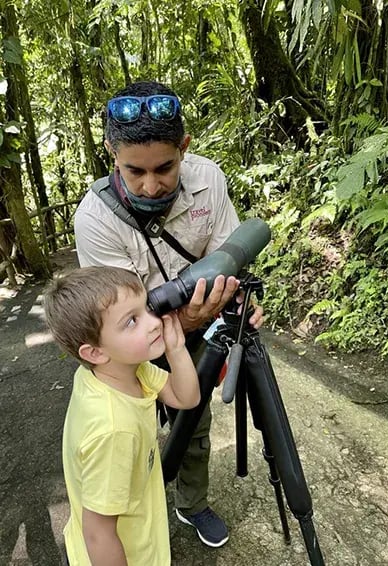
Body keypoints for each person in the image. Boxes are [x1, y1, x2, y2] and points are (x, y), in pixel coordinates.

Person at [74, 80, 264, 547]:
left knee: (194, 420)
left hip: (197, 326)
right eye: (133, 171)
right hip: (128, 343)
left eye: (165, 167)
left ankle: (191, 503)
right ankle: (130, 522)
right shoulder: (95, 219)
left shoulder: (209, 180)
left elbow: (229, 254)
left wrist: (236, 302)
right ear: (110, 152)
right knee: (129, 435)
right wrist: (191, 320)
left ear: (185, 147)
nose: (150, 184)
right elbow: (117, 320)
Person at [43, 266, 200, 565]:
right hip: (125, 553)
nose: (154, 323)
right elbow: (99, 535)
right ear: (95, 352)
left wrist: (177, 349)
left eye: (146, 308)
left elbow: (185, 397)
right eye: (132, 321)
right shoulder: (115, 431)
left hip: (136, 533)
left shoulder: (122, 370)